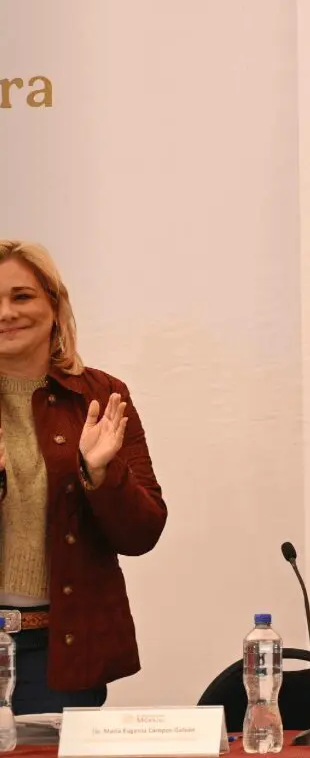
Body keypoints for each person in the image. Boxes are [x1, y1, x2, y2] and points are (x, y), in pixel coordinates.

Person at [0, 240, 166, 714]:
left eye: (21, 296)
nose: (6, 313)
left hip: (60, 651)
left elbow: (142, 533)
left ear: (55, 306)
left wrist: (100, 474)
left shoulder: (101, 395)